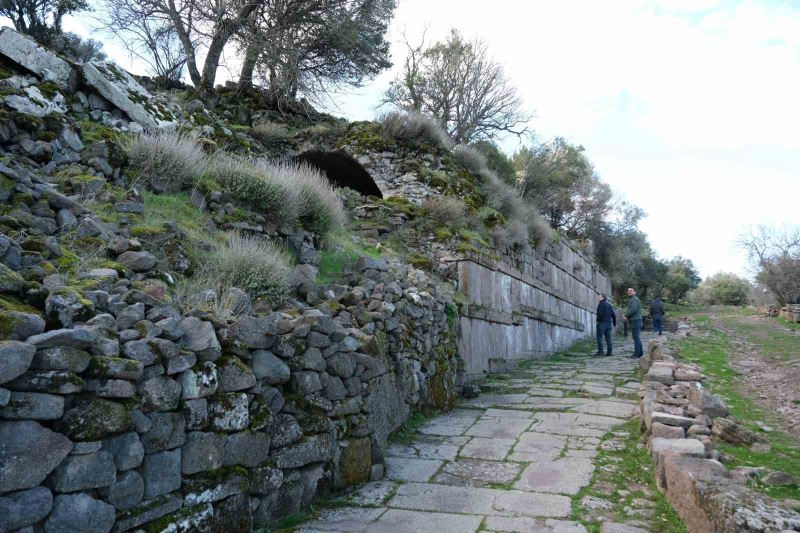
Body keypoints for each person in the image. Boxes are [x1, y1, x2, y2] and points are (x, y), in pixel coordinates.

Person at [623, 287, 643, 358]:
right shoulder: (633, 299)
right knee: (636, 337)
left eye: (631, 291)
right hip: (635, 320)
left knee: (636, 337)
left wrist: (626, 315)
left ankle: (636, 354)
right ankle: (640, 353)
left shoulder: (634, 299)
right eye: (628, 291)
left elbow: (633, 309)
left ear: (635, 292)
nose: (629, 292)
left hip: (635, 321)